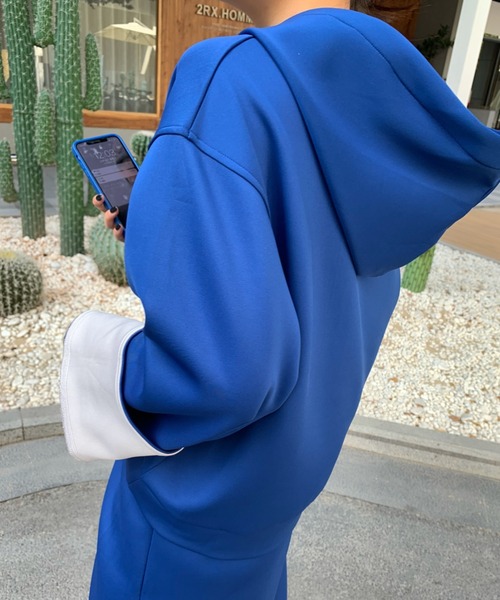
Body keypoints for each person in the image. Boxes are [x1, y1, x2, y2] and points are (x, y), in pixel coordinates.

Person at [60, 1, 500, 598]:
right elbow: (305, 261)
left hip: (182, 520)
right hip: (268, 511)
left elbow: (228, 372)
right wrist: (157, 228)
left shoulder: (223, 78)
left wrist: (96, 358)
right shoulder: (370, 89)